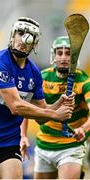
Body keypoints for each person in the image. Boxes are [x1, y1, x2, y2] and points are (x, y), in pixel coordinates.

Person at [0, 18, 74, 179]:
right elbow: (16, 107)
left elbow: (42, 115)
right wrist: (56, 115)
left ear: (35, 43)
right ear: (12, 36)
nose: (23, 40)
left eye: (29, 36)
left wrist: (58, 104)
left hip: (8, 141)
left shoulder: (34, 73)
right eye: (20, 33)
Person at [32, 36, 90, 179]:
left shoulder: (83, 80)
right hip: (43, 145)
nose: (64, 57)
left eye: (68, 53)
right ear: (54, 55)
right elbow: (28, 108)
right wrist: (22, 136)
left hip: (71, 145)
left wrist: (83, 129)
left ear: (74, 57)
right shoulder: (43, 77)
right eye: (60, 53)